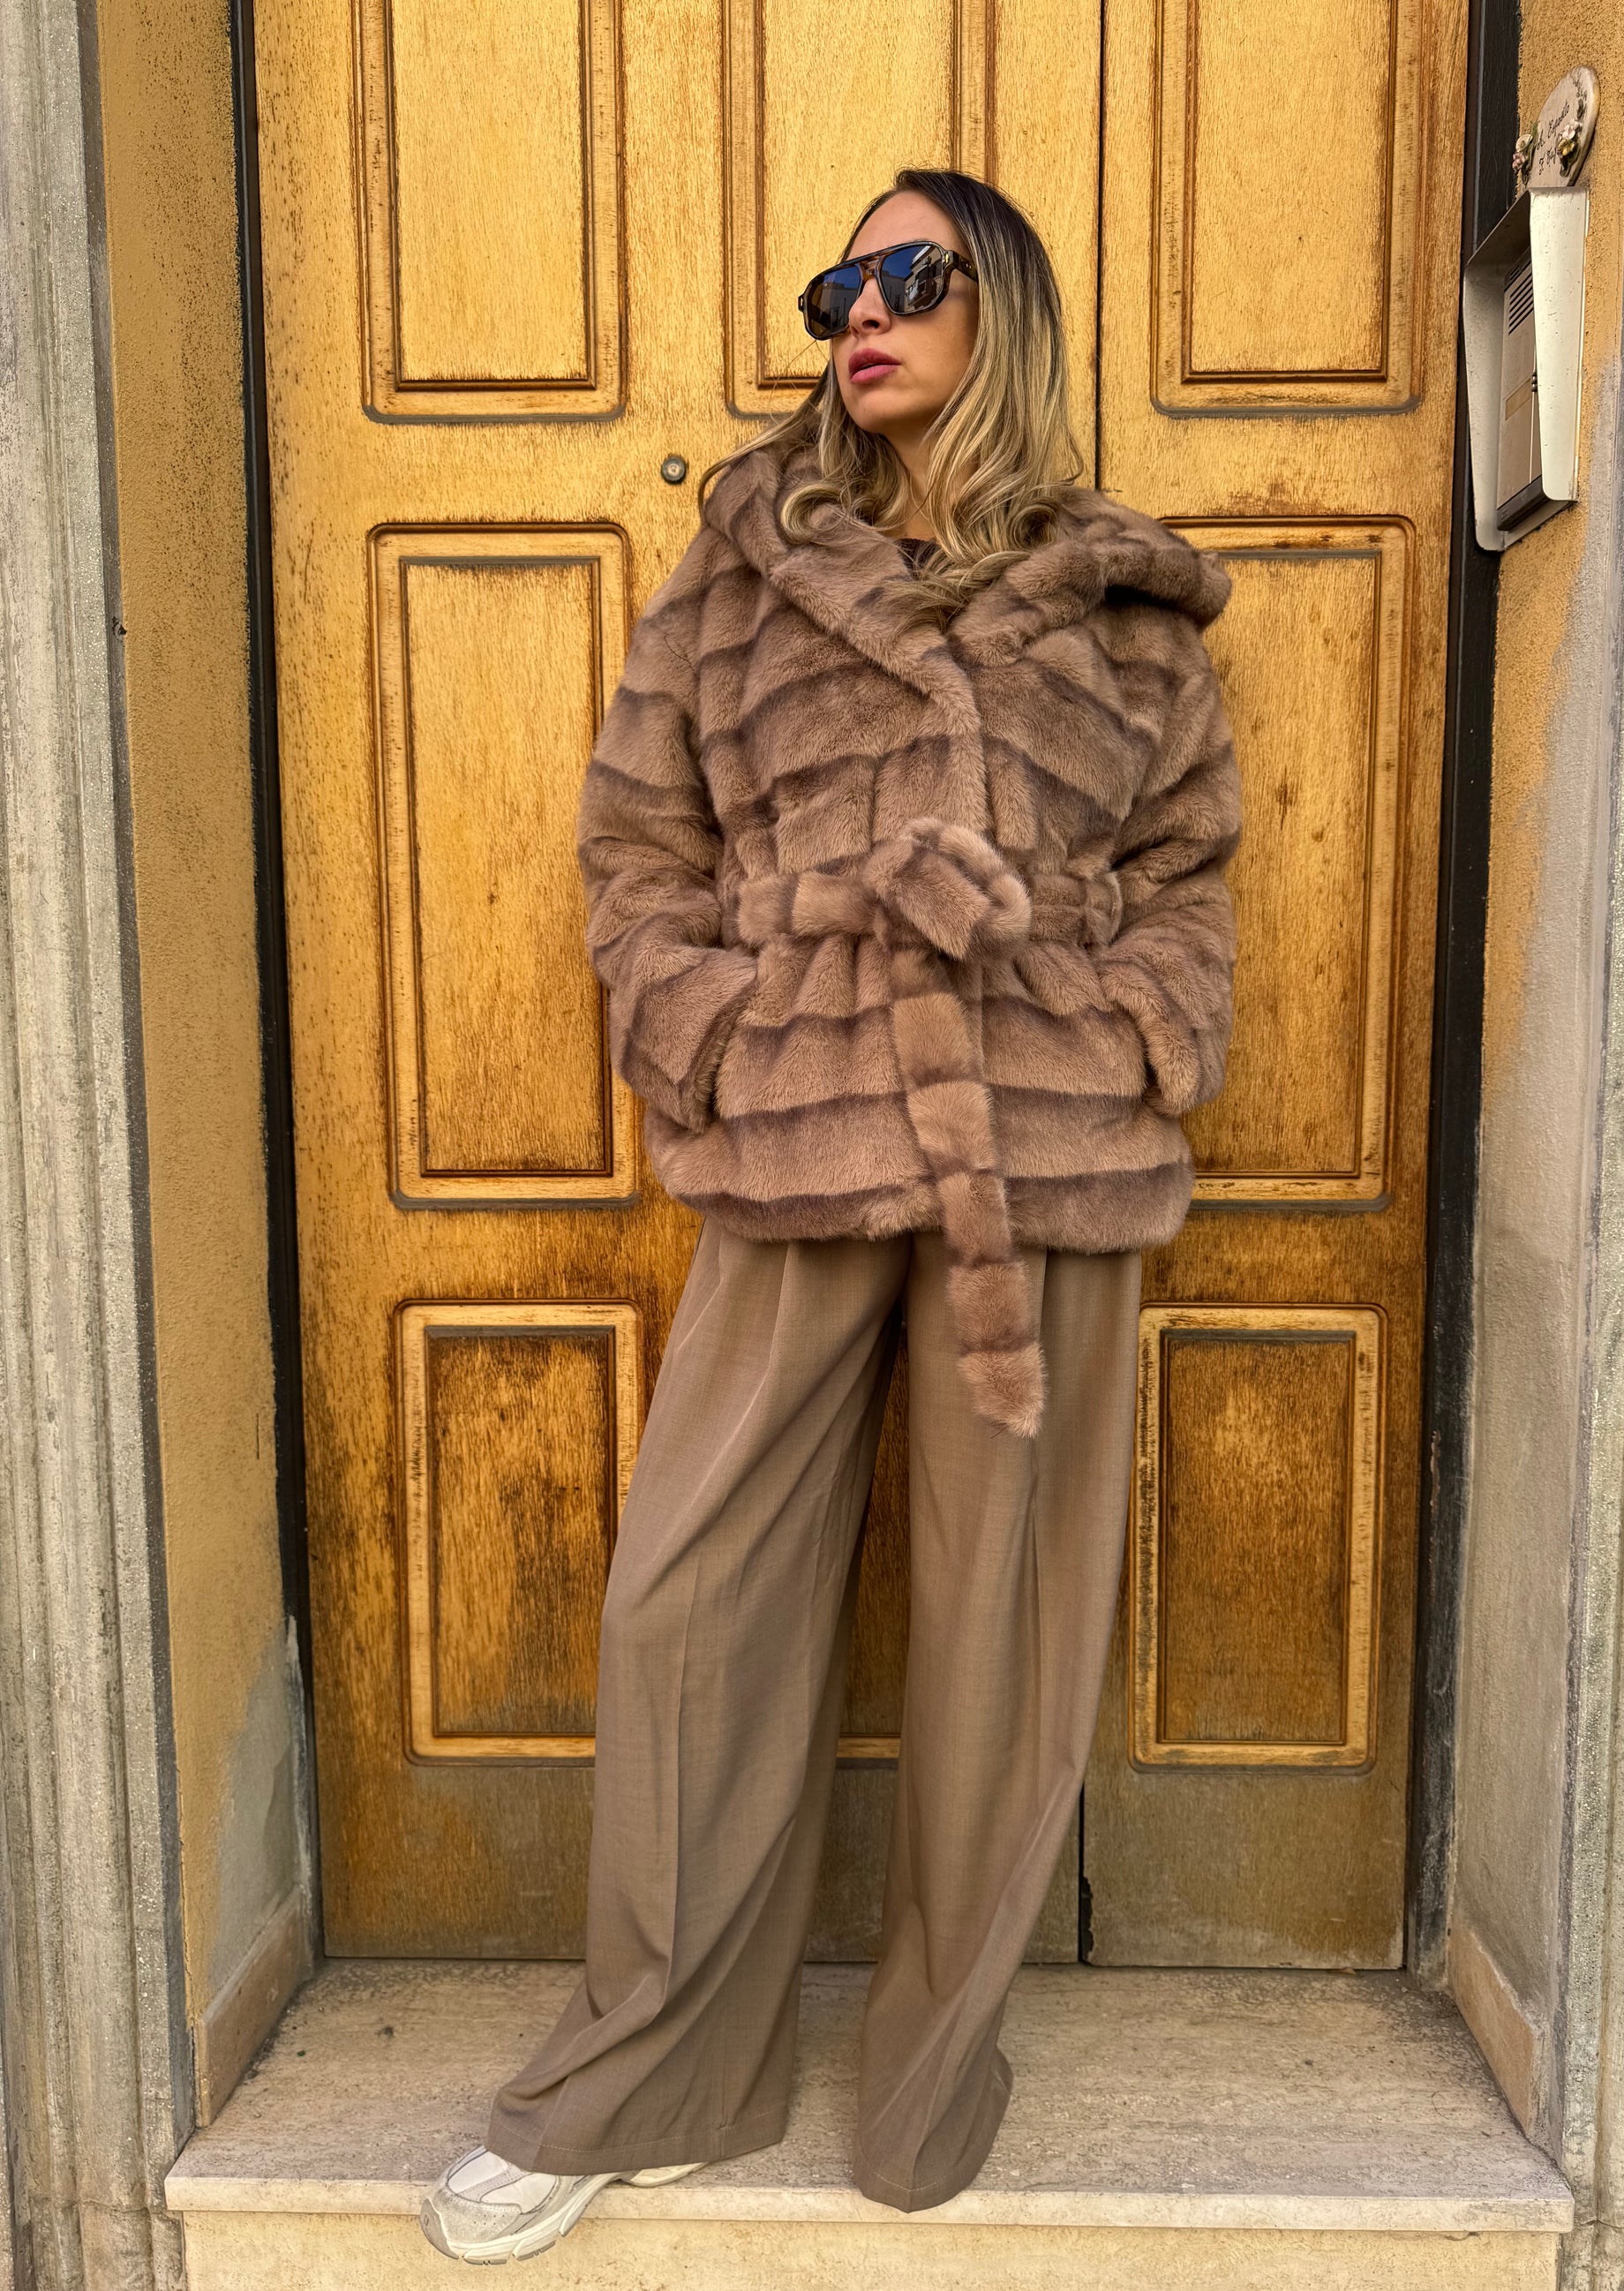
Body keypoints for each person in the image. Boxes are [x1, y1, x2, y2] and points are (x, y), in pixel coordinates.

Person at [421, 166, 1239, 2265]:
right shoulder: (744, 571)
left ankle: (932, 2074)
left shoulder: (1126, 610)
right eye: (836, 286)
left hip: (1042, 1144)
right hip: (797, 1111)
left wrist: (1139, 1025)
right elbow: (639, 839)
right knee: (687, 1601)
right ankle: (651, 2070)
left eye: (905, 276)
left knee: (1003, 1634)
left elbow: (1189, 870)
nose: (858, 313)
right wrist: (699, 1020)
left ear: (999, 310)